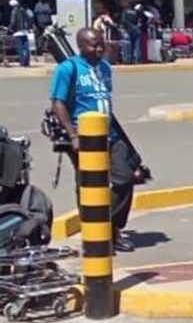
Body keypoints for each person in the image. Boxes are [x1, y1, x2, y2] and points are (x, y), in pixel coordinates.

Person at [49, 28, 136, 253]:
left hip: (111, 135)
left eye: (100, 44)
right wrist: (73, 135)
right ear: (80, 45)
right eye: (93, 45)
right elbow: (57, 103)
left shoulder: (105, 67)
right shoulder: (68, 69)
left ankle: (111, 227)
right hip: (84, 137)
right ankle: (94, 236)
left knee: (124, 178)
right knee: (87, 186)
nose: (98, 49)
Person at [8, 0, 31, 67]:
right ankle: (27, 62)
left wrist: (9, 29)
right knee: (26, 47)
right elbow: (28, 19)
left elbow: (13, 22)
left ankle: (22, 62)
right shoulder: (23, 10)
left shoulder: (14, 11)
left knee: (19, 48)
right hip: (25, 32)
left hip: (17, 32)